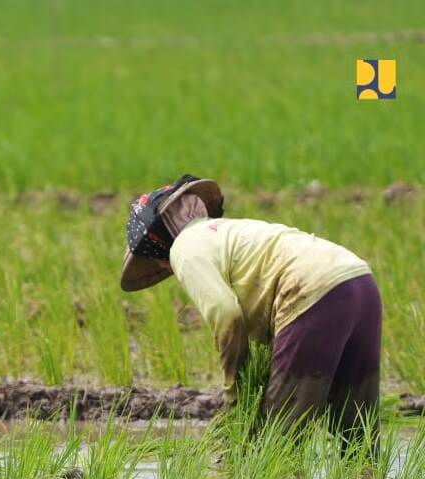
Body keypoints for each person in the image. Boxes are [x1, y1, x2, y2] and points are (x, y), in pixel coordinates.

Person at [120, 174, 381, 449]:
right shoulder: (232, 230)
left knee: (279, 445)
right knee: (359, 437)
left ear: (159, 248)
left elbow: (227, 316)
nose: (164, 268)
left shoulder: (184, 248)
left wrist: (237, 393)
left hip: (311, 291)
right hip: (360, 282)